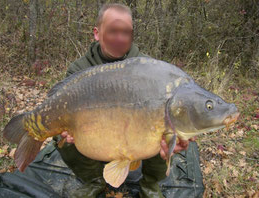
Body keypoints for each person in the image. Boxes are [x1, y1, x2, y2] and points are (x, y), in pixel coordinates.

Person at [55, 3, 198, 198]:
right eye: (113, 31)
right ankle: (94, 181)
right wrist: (68, 129)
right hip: (96, 134)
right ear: (97, 33)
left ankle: (150, 185)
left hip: (135, 135)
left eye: (126, 32)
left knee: (162, 127)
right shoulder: (79, 70)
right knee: (61, 136)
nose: (120, 38)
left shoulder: (147, 68)